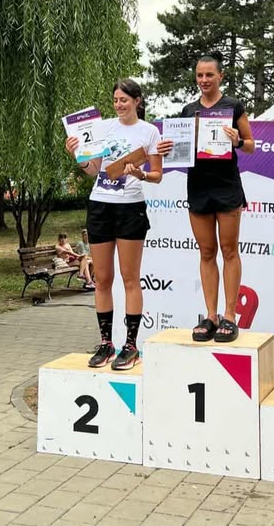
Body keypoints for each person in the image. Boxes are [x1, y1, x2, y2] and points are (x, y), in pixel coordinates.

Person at [64, 78, 163, 370]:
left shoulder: (149, 131)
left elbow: (157, 174)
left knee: (130, 278)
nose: (119, 105)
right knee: (103, 279)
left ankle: (130, 346)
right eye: (116, 100)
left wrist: (140, 174)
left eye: (124, 100)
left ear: (137, 101)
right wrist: (77, 155)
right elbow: (93, 170)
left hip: (130, 207)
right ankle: (106, 343)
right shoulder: (103, 127)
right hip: (100, 205)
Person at [178, 52, 255, 343]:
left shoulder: (233, 106)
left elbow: (251, 145)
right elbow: (182, 148)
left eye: (209, 74)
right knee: (206, 252)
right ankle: (211, 316)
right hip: (198, 186)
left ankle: (230, 316)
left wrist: (237, 140)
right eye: (200, 75)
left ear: (220, 76)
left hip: (227, 186)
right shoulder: (188, 110)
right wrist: (171, 149)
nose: (204, 80)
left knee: (229, 251)